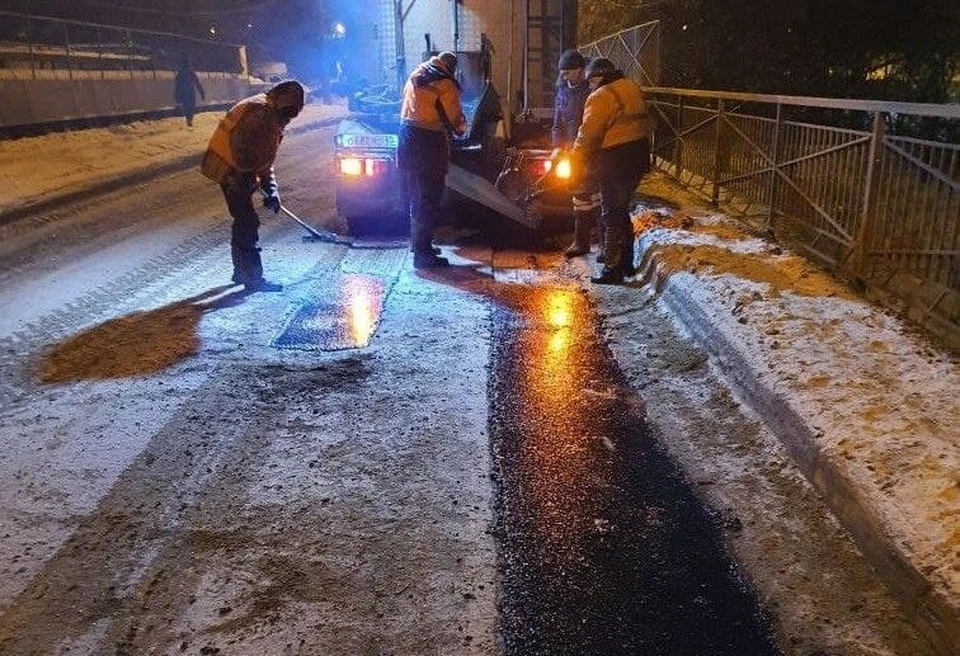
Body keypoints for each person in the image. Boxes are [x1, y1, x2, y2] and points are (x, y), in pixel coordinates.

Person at [200, 80, 305, 292]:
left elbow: (263, 158)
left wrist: (271, 189)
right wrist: (245, 176)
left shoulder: (269, 112)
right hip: (229, 167)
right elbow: (243, 150)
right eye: (289, 113)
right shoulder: (261, 115)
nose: (288, 119)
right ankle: (252, 278)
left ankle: (241, 271)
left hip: (236, 168)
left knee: (243, 220)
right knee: (247, 221)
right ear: (283, 103)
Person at [571, 58, 652, 285]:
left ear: (598, 77)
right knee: (621, 209)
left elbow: (588, 134)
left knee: (612, 214)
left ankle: (613, 269)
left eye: (590, 81)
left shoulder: (601, 96)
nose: (589, 86)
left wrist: (576, 160)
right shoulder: (630, 86)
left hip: (615, 159)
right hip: (638, 155)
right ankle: (626, 262)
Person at [398, 51, 468, 268]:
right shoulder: (445, 84)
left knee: (417, 197)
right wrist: (462, 128)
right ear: (452, 68)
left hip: (406, 140)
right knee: (430, 200)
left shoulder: (416, 74)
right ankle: (423, 255)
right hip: (428, 145)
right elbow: (455, 120)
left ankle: (418, 244)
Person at [551, 49, 602, 258]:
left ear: (580, 71)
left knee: (597, 196)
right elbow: (558, 123)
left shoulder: (591, 92)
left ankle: (604, 244)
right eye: (562, 73)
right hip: (573, 152)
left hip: (590, 151)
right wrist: (556, 146)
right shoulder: (562, 91)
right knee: (579, 196)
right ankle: (581, 242)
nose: (564, 76)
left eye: (568, 72)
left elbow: (593, 124)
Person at [174, 59, 206, 127]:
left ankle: (188, 119)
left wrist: (177, 97)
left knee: (186, 107)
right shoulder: (191, 73)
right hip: (191, 93)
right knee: (191, 107)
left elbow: (177, 86)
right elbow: (197, 84)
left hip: (184, 93)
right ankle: (189, 119)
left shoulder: (180, 74)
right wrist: (202, 93)